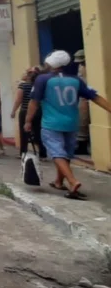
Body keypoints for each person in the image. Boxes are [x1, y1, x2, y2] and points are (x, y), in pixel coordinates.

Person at [26, 50, 111, 200]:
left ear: (50, 63)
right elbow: (95, 97)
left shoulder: (42, 79)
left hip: (51, 123)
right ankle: (59, 181)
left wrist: (28, 121)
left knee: (57, 152)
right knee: (66, 153)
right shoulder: (76, 80)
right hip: (72, 123)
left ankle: (73, 181)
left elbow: (34, 102)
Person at [11, 66, 46, 160]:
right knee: (39, 132)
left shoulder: (23, 85)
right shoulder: (41, 86)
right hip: (38, 111)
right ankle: (43, 154)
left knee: (24, 133)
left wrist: (13, 111)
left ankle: (23, 152)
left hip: (25, 111)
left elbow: (18, 100)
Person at [75, 50, 90, 156]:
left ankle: (83, 146)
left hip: (88, 94)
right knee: (82, 121)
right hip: (84, 95)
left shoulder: (89, 65)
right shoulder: (81, 67)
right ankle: (82, 146)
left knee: (83, 120)